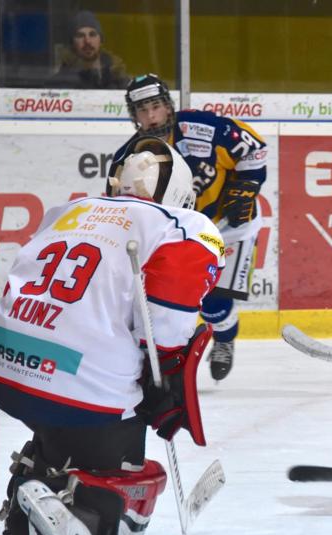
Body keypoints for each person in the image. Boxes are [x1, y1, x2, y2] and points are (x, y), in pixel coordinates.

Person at [0, 137, 225, 535]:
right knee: (127, 440)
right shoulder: (183, 225)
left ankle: (36, 478)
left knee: (77, 409)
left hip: (0, 369)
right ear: (181, 194)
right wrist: (166, 390)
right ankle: (89, 519)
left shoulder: (67, 210)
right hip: (79, 389)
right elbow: (166, 333)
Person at [113, 73, 267, 381]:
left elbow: (254, 149)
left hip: (228, 225)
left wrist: (246, 188)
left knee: (216, 302)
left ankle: (224, 338)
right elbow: (121, 206)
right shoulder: (128, 158)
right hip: (179, 237)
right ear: (134, 117)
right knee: (181, 299)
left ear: (168, 107)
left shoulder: (205, 129)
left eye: (155, 106)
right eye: (142, 110)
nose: (151, 116)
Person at [47, 11, 130, 89]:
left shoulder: (118, 78)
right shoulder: (59, 83)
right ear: (72, 43)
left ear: (100, 40)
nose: (87, 41)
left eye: (92, 34)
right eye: (80, 35)